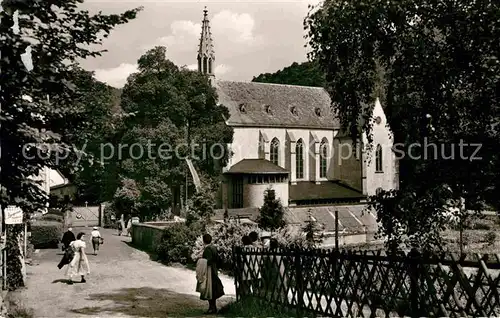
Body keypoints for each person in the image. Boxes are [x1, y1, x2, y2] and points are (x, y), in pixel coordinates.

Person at [196, 234, 224, 314]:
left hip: (209, 271)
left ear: (204, 240)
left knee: (209, 290)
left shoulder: (207, 249)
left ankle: (212, 308)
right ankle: (213, 307)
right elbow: (217, 259)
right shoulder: (214, 248)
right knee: (213, 290)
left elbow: (208, 261)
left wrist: (201, 261)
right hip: (214, 270)